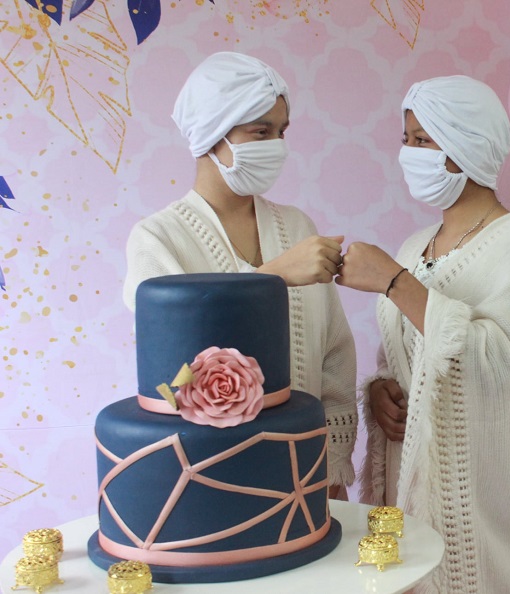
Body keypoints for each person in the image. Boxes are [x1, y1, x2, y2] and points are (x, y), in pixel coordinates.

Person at [337, 75, 510, 593]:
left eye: (424, 140)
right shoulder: (414, 245)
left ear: (468, 143)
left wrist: (395, 284)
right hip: (413, 489)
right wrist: (380, 393)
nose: (409, 154)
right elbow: (403, 357)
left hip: (488, 498)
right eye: (406, 140)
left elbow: (506, 364)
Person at [122, 52, 358, 497]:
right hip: (204, 476)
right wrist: (271, 280)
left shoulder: (297, 228)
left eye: (282, 131)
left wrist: (332, 466)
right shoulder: (156, 240)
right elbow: (171, 378)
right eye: (260, 132)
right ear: (213, 133)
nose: (277, 145)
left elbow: (334, 355)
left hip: (304, 469)